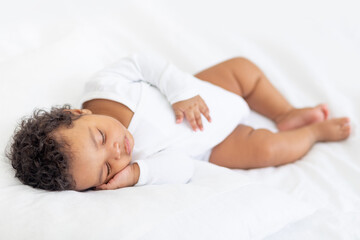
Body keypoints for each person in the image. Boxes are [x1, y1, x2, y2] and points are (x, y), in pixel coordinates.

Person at [7, 54, 351, 192]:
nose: (117, 152)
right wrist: (136, 175)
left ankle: (285, 112)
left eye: (100, 138)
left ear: (76, 114)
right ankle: (312, 132)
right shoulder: (136, 164)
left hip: (199, 94)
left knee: (244, 70)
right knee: (269, 149)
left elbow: (145, 65)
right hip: (212, 144)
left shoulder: (105, 86)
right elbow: (182, 169)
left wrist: (181, 92)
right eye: (106, 170)